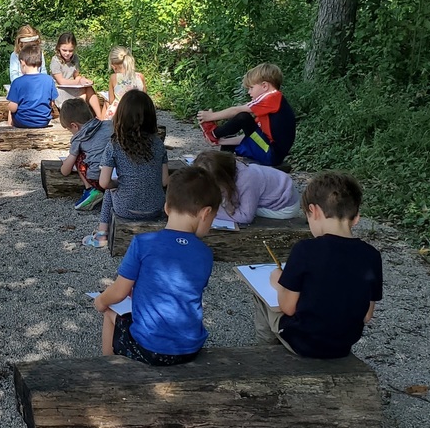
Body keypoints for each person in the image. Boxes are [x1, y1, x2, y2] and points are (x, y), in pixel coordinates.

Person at [93, 166, 221, 364]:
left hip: (150, 348)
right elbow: (182, 290)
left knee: (110, 314)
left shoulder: (143, 243)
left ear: (167, 207)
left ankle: (109, 370)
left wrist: (101, 301)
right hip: (190, 348)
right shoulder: (205, 253)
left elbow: (119, 292)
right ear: (206, 213)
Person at [261, 172, 382, 358]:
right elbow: (366, 315)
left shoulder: (305, 250)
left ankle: (266, 355)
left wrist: (279, 283)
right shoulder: (372, 256)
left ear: (314, 211)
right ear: (356, 217)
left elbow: (288, 308)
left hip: (304, 343)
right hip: (343, 346)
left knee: (262, 301)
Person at [83, 90, 168, 248]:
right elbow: (164, 181)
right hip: (155, 208)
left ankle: (102, 233)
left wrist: (116, 184)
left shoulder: (115, 144)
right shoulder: (158, 144)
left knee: (110, 189)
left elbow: (103, 182)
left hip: (125, 209)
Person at [196, 63, 296, 166]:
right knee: (228, 145)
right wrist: (220, 141)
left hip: (270, 153)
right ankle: (222, 172)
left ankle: (213, 133)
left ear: (265, 86)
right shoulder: (269, 108)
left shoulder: (272, 97)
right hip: (268, 151)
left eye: (251, 88)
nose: (249, 92)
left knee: (243, 117)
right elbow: (252, 135)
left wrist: (210, 116)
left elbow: (237, 111)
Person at [192, 150, 301, 224]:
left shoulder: (247, 181)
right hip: (281, 191)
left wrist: (214, 212)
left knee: (237, 211)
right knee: (228, 204)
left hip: (284, 206)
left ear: (224, 177)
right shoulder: (233, 170)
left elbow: (246, 217)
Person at [59, 98, 111, 211]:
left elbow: (65, 171)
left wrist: (65, 164)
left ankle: (90, 190)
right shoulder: (108, 125)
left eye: (69, 129)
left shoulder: (78, 139)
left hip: (97, 178)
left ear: (74, 126)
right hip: (114, 174)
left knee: (78, 156)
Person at [50, 33, 103, 118]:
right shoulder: (55, 61)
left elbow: (76, 75)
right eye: (64, 50)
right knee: (83, 95)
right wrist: (77, 81)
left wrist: (83, 80)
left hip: (73, 87)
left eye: (70, 51)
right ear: (58, 47)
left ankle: (100, 117)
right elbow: (61, 81)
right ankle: (79, 116)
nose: (67, 53)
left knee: (89, 89)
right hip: (60, 89)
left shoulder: (75, 58)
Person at [6, 44, 57, 128]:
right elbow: (51, 103)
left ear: (22, 63)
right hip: (43, 121)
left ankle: (10, 129)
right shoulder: (49, 80)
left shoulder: (17, 82)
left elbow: (13, 108)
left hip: (22, 121)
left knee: (11, 106)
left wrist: (8, 106)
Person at [103, 46, 146, 121]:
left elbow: (111, 101)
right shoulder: (140, 76)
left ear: (113, 65)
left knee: (107, 101)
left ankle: (103, 124)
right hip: (139, 111)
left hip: (123, 113)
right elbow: (145, 97)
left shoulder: (114, 77)